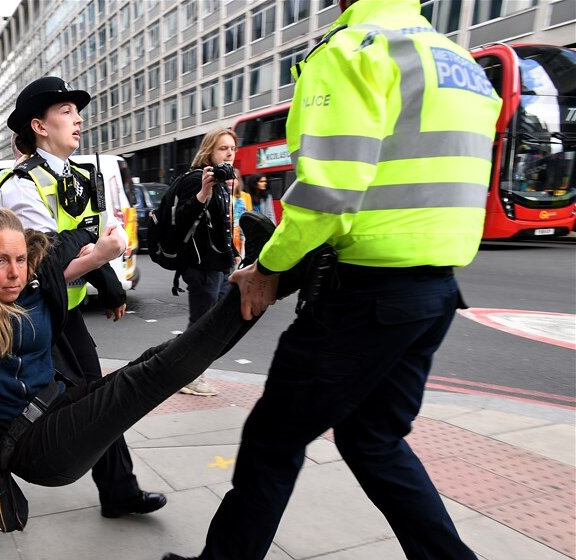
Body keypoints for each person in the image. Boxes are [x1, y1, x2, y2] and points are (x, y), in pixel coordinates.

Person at [165, 0, 502, 558]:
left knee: (273, 441)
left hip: (364, 295)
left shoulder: (353, 51)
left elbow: (327, 194)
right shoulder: (459, 62)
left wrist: (268, 268)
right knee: (374, 439)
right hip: (435, 292)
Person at [0, 207, 260, 523]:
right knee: (148, 378)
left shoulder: (35, 288)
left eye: (21, 259)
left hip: (59, 407)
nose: (14, 273)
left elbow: (63, 244)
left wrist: (93, 243)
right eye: (0, 261)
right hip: (38, 450)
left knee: (153, 359)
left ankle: (258, 289)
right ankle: (264, 280)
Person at [0, 76, 166, 518]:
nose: (78, 118)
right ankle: (117, 489)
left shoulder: (79, 175)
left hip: (63, 310)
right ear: (39, 126)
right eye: (65, 111)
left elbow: (87, 237)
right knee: (91, 398)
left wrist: (110, 283)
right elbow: (44, 270)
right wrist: (101, 253)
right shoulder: (20, 185)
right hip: (33, 312)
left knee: (62, 396)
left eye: (76, 111)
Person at [173, 128, 241, 397]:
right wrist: (203, 192)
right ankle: (187, 375)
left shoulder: (225, 183)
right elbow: (183, 218)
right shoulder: (196, 180)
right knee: (201, 324)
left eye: (232, 149)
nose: (229, 154)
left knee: (213, 323)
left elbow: (221, 226)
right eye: (223, 148)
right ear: (209, 151)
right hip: (202, 267)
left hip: (219, 265)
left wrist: (233, 252)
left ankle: (184, 368)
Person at [230, 170, 251, 256]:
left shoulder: (246, 196)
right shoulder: (222, 196)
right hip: (228, 239)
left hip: (241, 238)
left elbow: (249, 217)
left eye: (234, 178)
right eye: (228, 178)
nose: (231, 181)